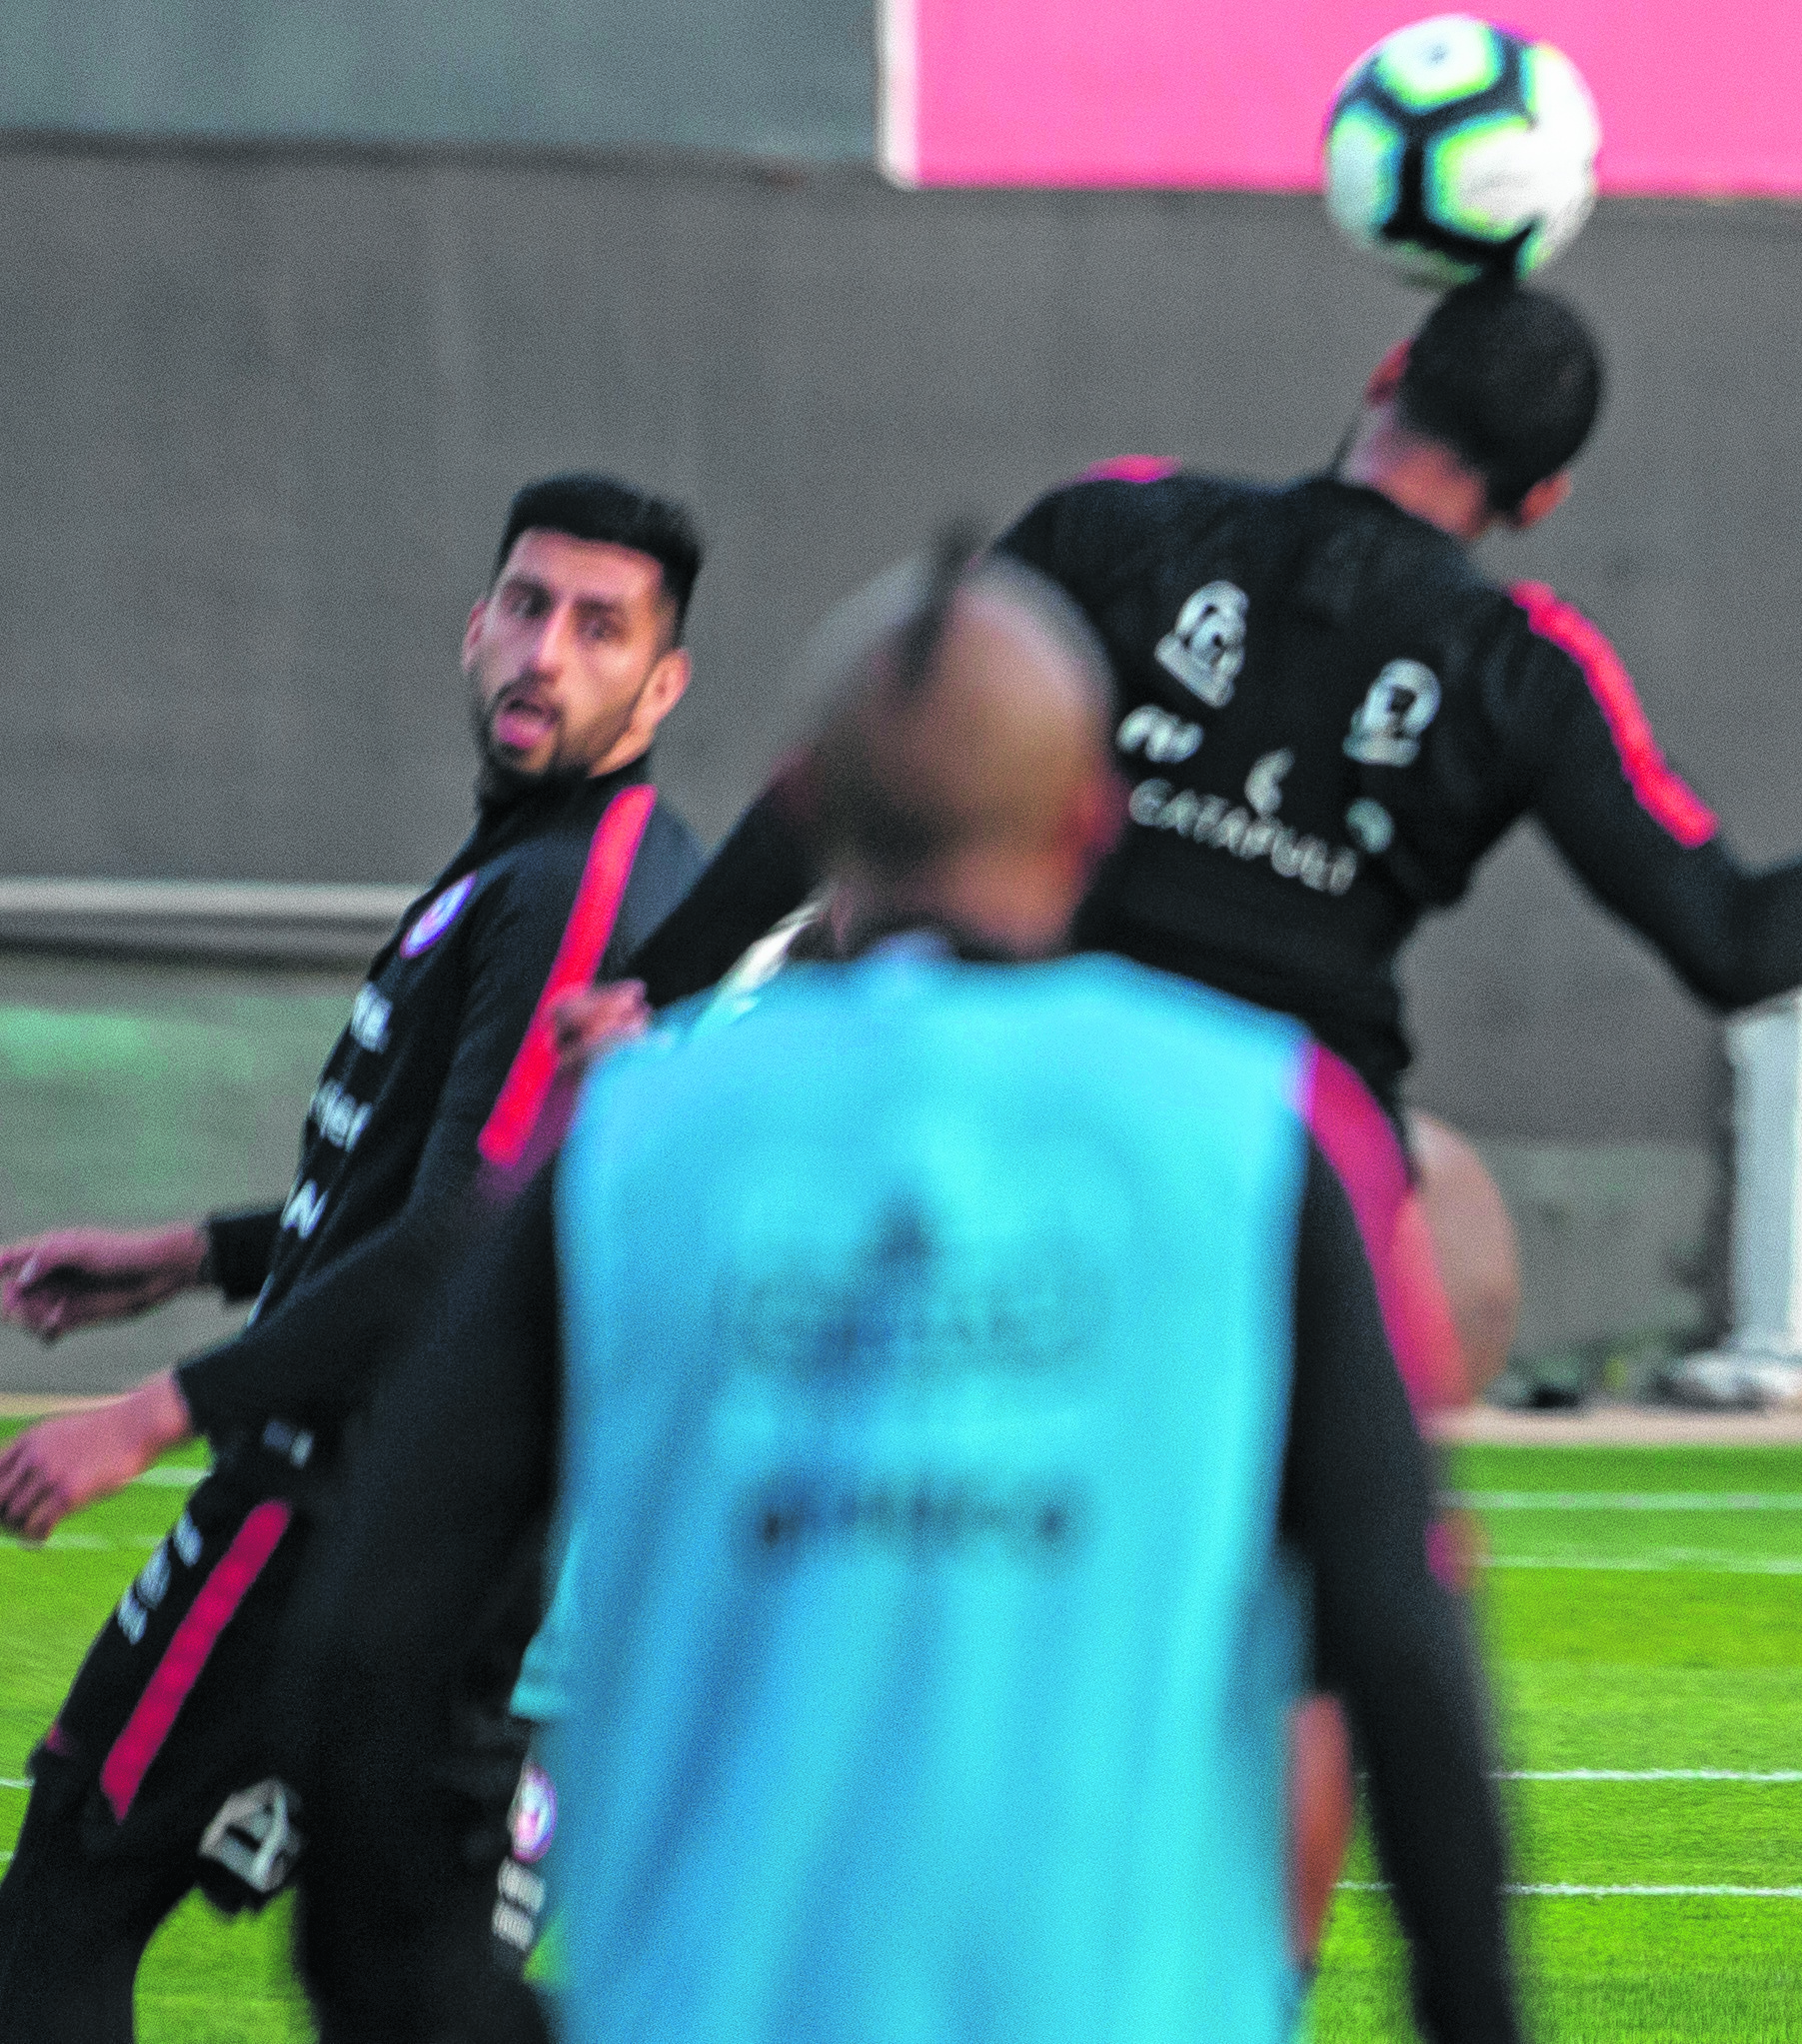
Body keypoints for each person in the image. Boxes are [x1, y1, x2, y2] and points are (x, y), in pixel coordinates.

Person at [286, 556, 1524, 2044]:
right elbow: (1400, 1642)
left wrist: (421, 1998)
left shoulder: (631, 1138)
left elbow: (372, 1625)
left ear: (806, 811)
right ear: (1092, 816)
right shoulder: (1255, 1126)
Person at [620, 276, 1802, 1401]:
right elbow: (1734, 943)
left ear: (1386, 372)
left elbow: (860, 769)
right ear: (1540, 497)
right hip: (1280, 1170)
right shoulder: (1519, 664)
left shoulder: (1114, 531)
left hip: (1017, 1113)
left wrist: (652, 992)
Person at [0, 474, 708, 2037]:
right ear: (472, 626)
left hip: (336, 1501)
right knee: (422, 1993)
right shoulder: (538, 859)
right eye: (526, 605)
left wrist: (155, 1409)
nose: (546, 651)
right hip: (466, 1522)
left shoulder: (575, 881)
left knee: (60, 1912)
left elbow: (470, 1240)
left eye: (601, 628)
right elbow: (422, 1189)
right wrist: (194, 1251)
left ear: (661, 687)